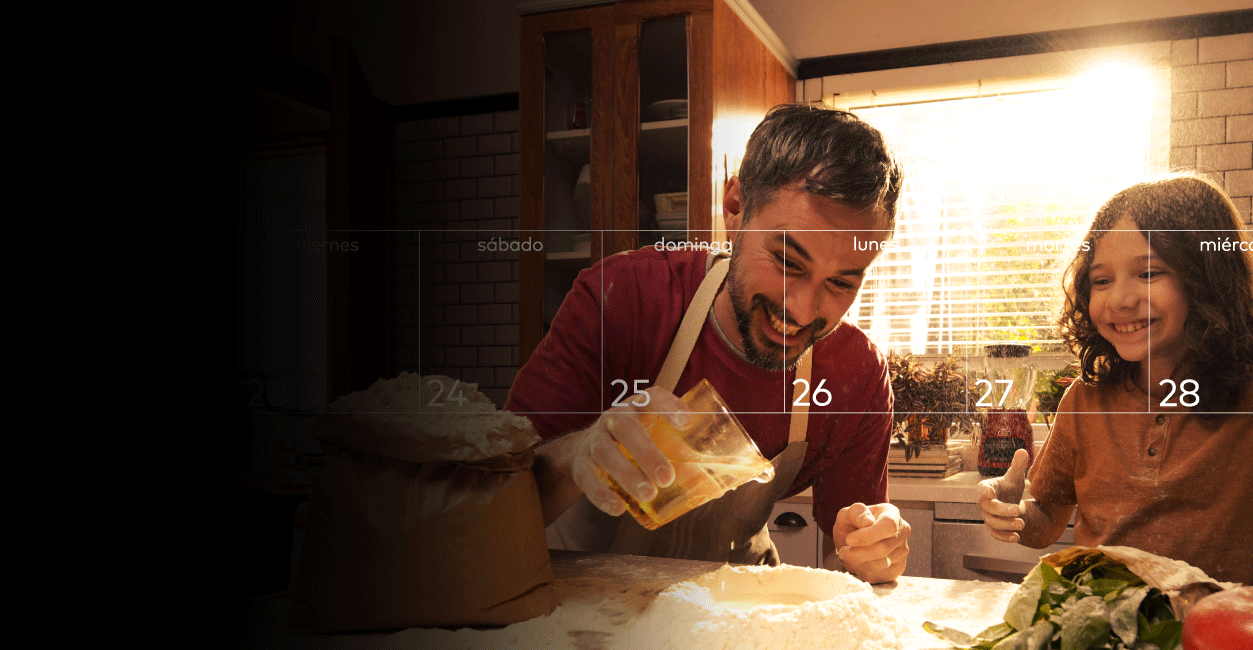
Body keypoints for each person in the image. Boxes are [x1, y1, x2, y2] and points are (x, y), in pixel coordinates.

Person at [507, 104, 910, 583]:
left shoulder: (854, 375)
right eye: (787, 262)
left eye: (841, 283)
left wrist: (875, 547)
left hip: (732, 611)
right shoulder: (625, 299)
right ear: (735, 208)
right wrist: (578, 455)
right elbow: (494, 507)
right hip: (585, 605)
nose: (802, 311)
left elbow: (859, 543)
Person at [978, 173, 1253, 584]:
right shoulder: (1084, 402)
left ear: (1206, 279)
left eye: (1149, 274)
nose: (1120, 300)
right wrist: (1015, 514)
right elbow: (1048, 517)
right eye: (1101, 280)